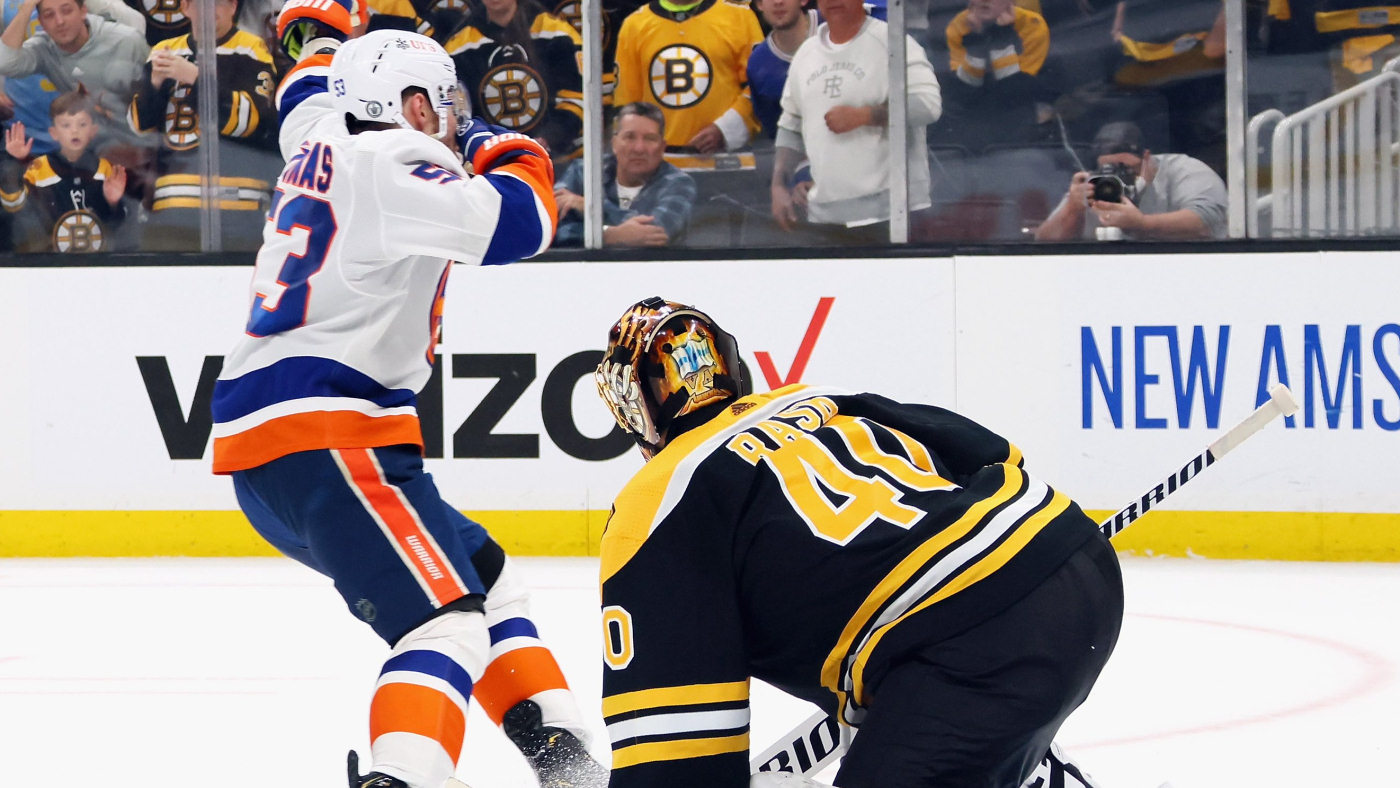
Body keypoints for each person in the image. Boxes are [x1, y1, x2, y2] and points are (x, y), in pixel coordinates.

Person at [210, 5, 606, 786]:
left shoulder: (320, 136)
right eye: (446, 101)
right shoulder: (393, 157)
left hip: (285, 447)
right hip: (330, 433)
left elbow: (305, 91)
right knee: (443, 623)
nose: (455, 115)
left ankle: (564, 761)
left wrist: (323, 34)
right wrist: (496, 141)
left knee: (487, 582)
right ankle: (404, 777)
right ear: (413, 107)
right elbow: (521, 223)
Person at [592, 297, 1124, 788]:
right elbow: (997, 454)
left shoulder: (654, 504)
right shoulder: (811, 399)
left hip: (969, 653)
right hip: (1075, 562)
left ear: (633, 406)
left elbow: (678, 759)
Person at [770, 0, 941, 241]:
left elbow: (927, 105)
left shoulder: (893, 42)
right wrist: (779, 185)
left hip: (894, 215)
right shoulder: (806, 54)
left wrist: (867, 116)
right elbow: (791, 126)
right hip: (824, 217)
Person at [126, 0, 276, 250]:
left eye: (218, 3)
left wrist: (196, 78)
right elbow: (137, 126)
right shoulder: (164, 50)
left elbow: (252, 122)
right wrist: (153, 85)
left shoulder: (251, 49)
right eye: (201, 3)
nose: (209, 10)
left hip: (240, 201)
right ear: (185, 7)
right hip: (170, 201)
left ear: (233, 6)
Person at [1034, 119, 1227, 241]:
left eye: (1126, 169)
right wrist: (1073, 208)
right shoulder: (1095, 184)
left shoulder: (1184, 170)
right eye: (1109, 169)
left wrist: (1142, 224)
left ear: (1146, 159)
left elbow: (1207, 222)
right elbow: (1044, 243)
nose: (1117, 177)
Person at [611, 0, 762, 152]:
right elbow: (627, 103)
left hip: (727, 158)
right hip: (657, 160)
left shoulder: (740, 17)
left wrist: (725, 130)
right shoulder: (634, 25)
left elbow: (759, 88)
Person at [443, 0, 584, 159]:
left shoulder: (558, 35)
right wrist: (487, 147)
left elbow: (576, 100)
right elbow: (459, 114)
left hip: (561, 160)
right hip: (491, 161)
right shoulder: (459, 47)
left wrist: (548, 139)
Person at [0, 86, 127, 250]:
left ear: (93, 131)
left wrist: (113, 202)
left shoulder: (104, 169)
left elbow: (116, 225)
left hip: (96, 258)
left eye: (82, 124)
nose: (74, 131)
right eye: (66, 125)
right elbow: (13, 208)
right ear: (53, 132)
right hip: (49, 257)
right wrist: (15, 162)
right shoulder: (37, 168)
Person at [553, 100, 695, 246]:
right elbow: (550, 229)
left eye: (649, 139)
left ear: (662, 147)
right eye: (630, 137)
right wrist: (609, 235)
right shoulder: (583, 172)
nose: (639, 148)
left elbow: (656, 233)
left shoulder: (679, 183)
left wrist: (592, 208)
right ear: (614, 143)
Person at [0, 0, 148, 135]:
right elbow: (5, 61)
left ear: (83, 11)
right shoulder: (44, 47)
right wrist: (26, 8)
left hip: (137, 138)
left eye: (67, 11)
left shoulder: (126, 40)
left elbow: (136, 24)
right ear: (41, 23)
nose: (60, 21)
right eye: (49, 15)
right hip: (56, 132)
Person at [940, 0, 1052, 149]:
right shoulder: (958, 26)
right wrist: (975, 40)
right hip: (969, 117)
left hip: (1017, 116)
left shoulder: (1032, 25)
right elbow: (963, 92)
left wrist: (1002, 36)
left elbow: (1016, 91)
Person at [747, 0, 816, 141]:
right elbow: (778, 135)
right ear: (759, 4)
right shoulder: (758, 64)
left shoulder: (835, 21)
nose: (777, 2)